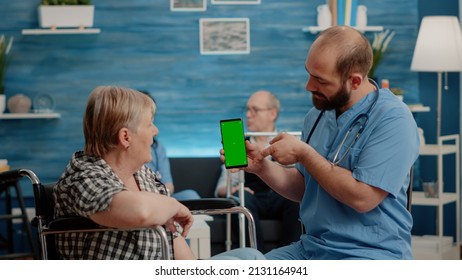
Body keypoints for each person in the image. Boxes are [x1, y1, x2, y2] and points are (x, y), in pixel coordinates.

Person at [222, 26, 420, 259]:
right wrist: (261, 167)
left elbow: (363, 198)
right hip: (312, 248)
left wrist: (305, 154)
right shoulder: (317, 115)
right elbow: (304, 188)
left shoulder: (393, 119)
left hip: (370, 254)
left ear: (354, 81)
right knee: (239, 263)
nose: (309, 86)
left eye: (320, 80)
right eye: (309, 74)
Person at [54, 86, 265, 260]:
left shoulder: (142, 174)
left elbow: (175, 241)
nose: (155, 131)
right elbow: (141, 212)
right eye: (149, 124)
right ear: (125, 137)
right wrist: (173, 205)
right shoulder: (84, 174)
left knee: (251, 257)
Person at [215, 90, 301, 253]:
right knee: (240, 198)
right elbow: (221, 189)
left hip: (282, 197)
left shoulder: (289, 141)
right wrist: (235, 190)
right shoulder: (239, 143)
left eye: (255, 110)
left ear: (272, 113)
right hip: (253, 198)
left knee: (296, 200)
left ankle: (290, 256)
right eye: (247, 109)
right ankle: (256, 258)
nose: (248, 115)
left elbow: (301, 179)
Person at [139, 90, 200, 201]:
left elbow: (168, 184)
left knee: (191, 195)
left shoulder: (157, 148)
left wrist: (162, 198)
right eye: (148, 123)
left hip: (161, 197)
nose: (156, 131)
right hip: (145, 200)